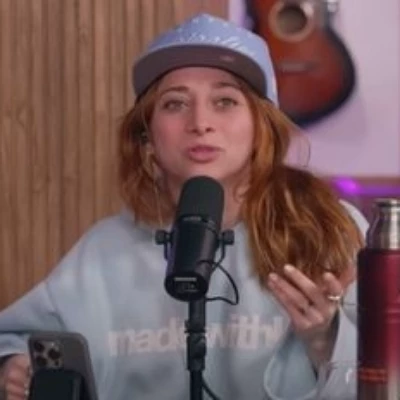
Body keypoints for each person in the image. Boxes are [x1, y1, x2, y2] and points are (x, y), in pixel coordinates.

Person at [0, 12, 368, 400]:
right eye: (175, 104)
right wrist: (12, 367)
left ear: (261, 128)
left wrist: (325, 341)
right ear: (147, 137)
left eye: (225, 101)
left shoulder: (332, 230)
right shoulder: (103, 250)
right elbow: (14, 340)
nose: (200, 122)